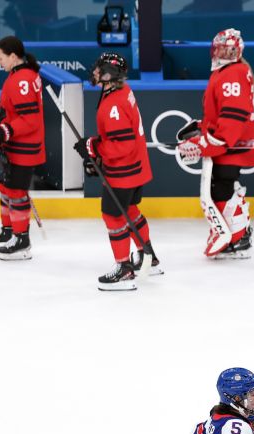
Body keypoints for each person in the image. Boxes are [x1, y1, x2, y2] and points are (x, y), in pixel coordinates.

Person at [75, 52, 158, 291]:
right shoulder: (121, 91)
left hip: (124, 171)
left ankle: (124, 268)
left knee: (113, 216)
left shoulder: (113, 104)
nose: (95, 72)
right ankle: (148, 256)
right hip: (135, 166)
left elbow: (122, 144)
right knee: (130, 210)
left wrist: (93, 147)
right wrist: (97, 149)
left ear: (109, 75)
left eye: (99, 69)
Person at [176, 28, 254, 259]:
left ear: (236, 51)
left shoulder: (232, 74)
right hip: (230, 142)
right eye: (220, 47)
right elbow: (223, 113)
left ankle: (238, 236)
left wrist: (205, 143)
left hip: (231, 145)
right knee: (224, 185)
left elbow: (231, 121)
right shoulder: (232, 70)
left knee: (222, 187)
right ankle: (240, 232)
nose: (222, 52)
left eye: (227, 48)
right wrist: (203, 127)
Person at [0, 35, 43, 261]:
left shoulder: (22, 79)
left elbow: (30, 120)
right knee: (5, 187)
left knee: (15, 192)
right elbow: (15, 111)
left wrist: (5, 131)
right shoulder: (17, 75)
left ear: (13, 56)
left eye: (1, 58)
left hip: (24, 146)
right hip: (14, 144)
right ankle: (8, 231)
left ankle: (22, 239)